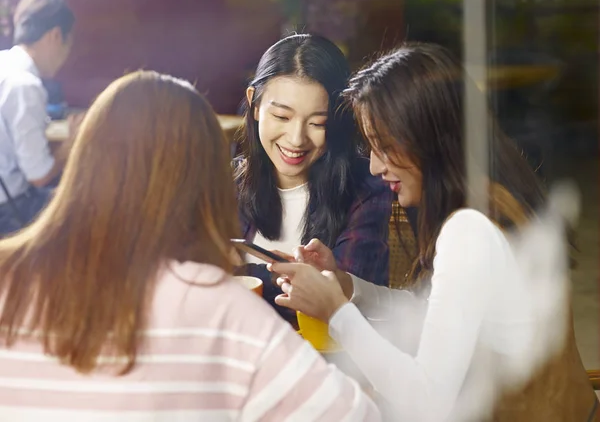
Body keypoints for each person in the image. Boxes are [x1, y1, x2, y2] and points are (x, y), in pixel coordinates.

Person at [0, 71, 380, 421]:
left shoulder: (7, 274)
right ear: (208, 181)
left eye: (316, 122)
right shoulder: (223, 311)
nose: (296, 138)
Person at [271, 43, 598, 421]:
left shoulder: (470, 230)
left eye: (384, 147)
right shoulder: (499, 201)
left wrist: (337, 314)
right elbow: (437, 313)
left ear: (429, 141)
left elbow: (425, 401)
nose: (376, 167)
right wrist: (348, 287)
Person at [235, 33, 395, 316]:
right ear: (255, 104)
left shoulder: (366, 192)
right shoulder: (227, 184)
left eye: (317, 123)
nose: (296, 139)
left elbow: (342, 303)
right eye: (282, 117)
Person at [0, 0, 80, 235]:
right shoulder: (25, 84)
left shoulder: (5, 63)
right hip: (8, 211)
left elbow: (17, 133)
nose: (65, 58)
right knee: (82, 207)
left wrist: (62, 131)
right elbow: (39, 174)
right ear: (56, 36)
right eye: (68, 46)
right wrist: (72, 142)